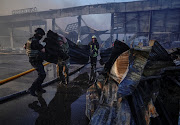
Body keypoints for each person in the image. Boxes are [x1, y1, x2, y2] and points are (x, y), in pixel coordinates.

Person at [24, 28, 46, 96]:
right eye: (41, 35)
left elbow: (24, 46)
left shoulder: (29, 39)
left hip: (33, 59)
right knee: (42, 75)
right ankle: (31, 89)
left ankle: (39, 88)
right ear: (39, 34)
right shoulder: (36, 41)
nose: (41, 37)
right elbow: (43, 50)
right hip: (36, 60)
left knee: (41, 74)